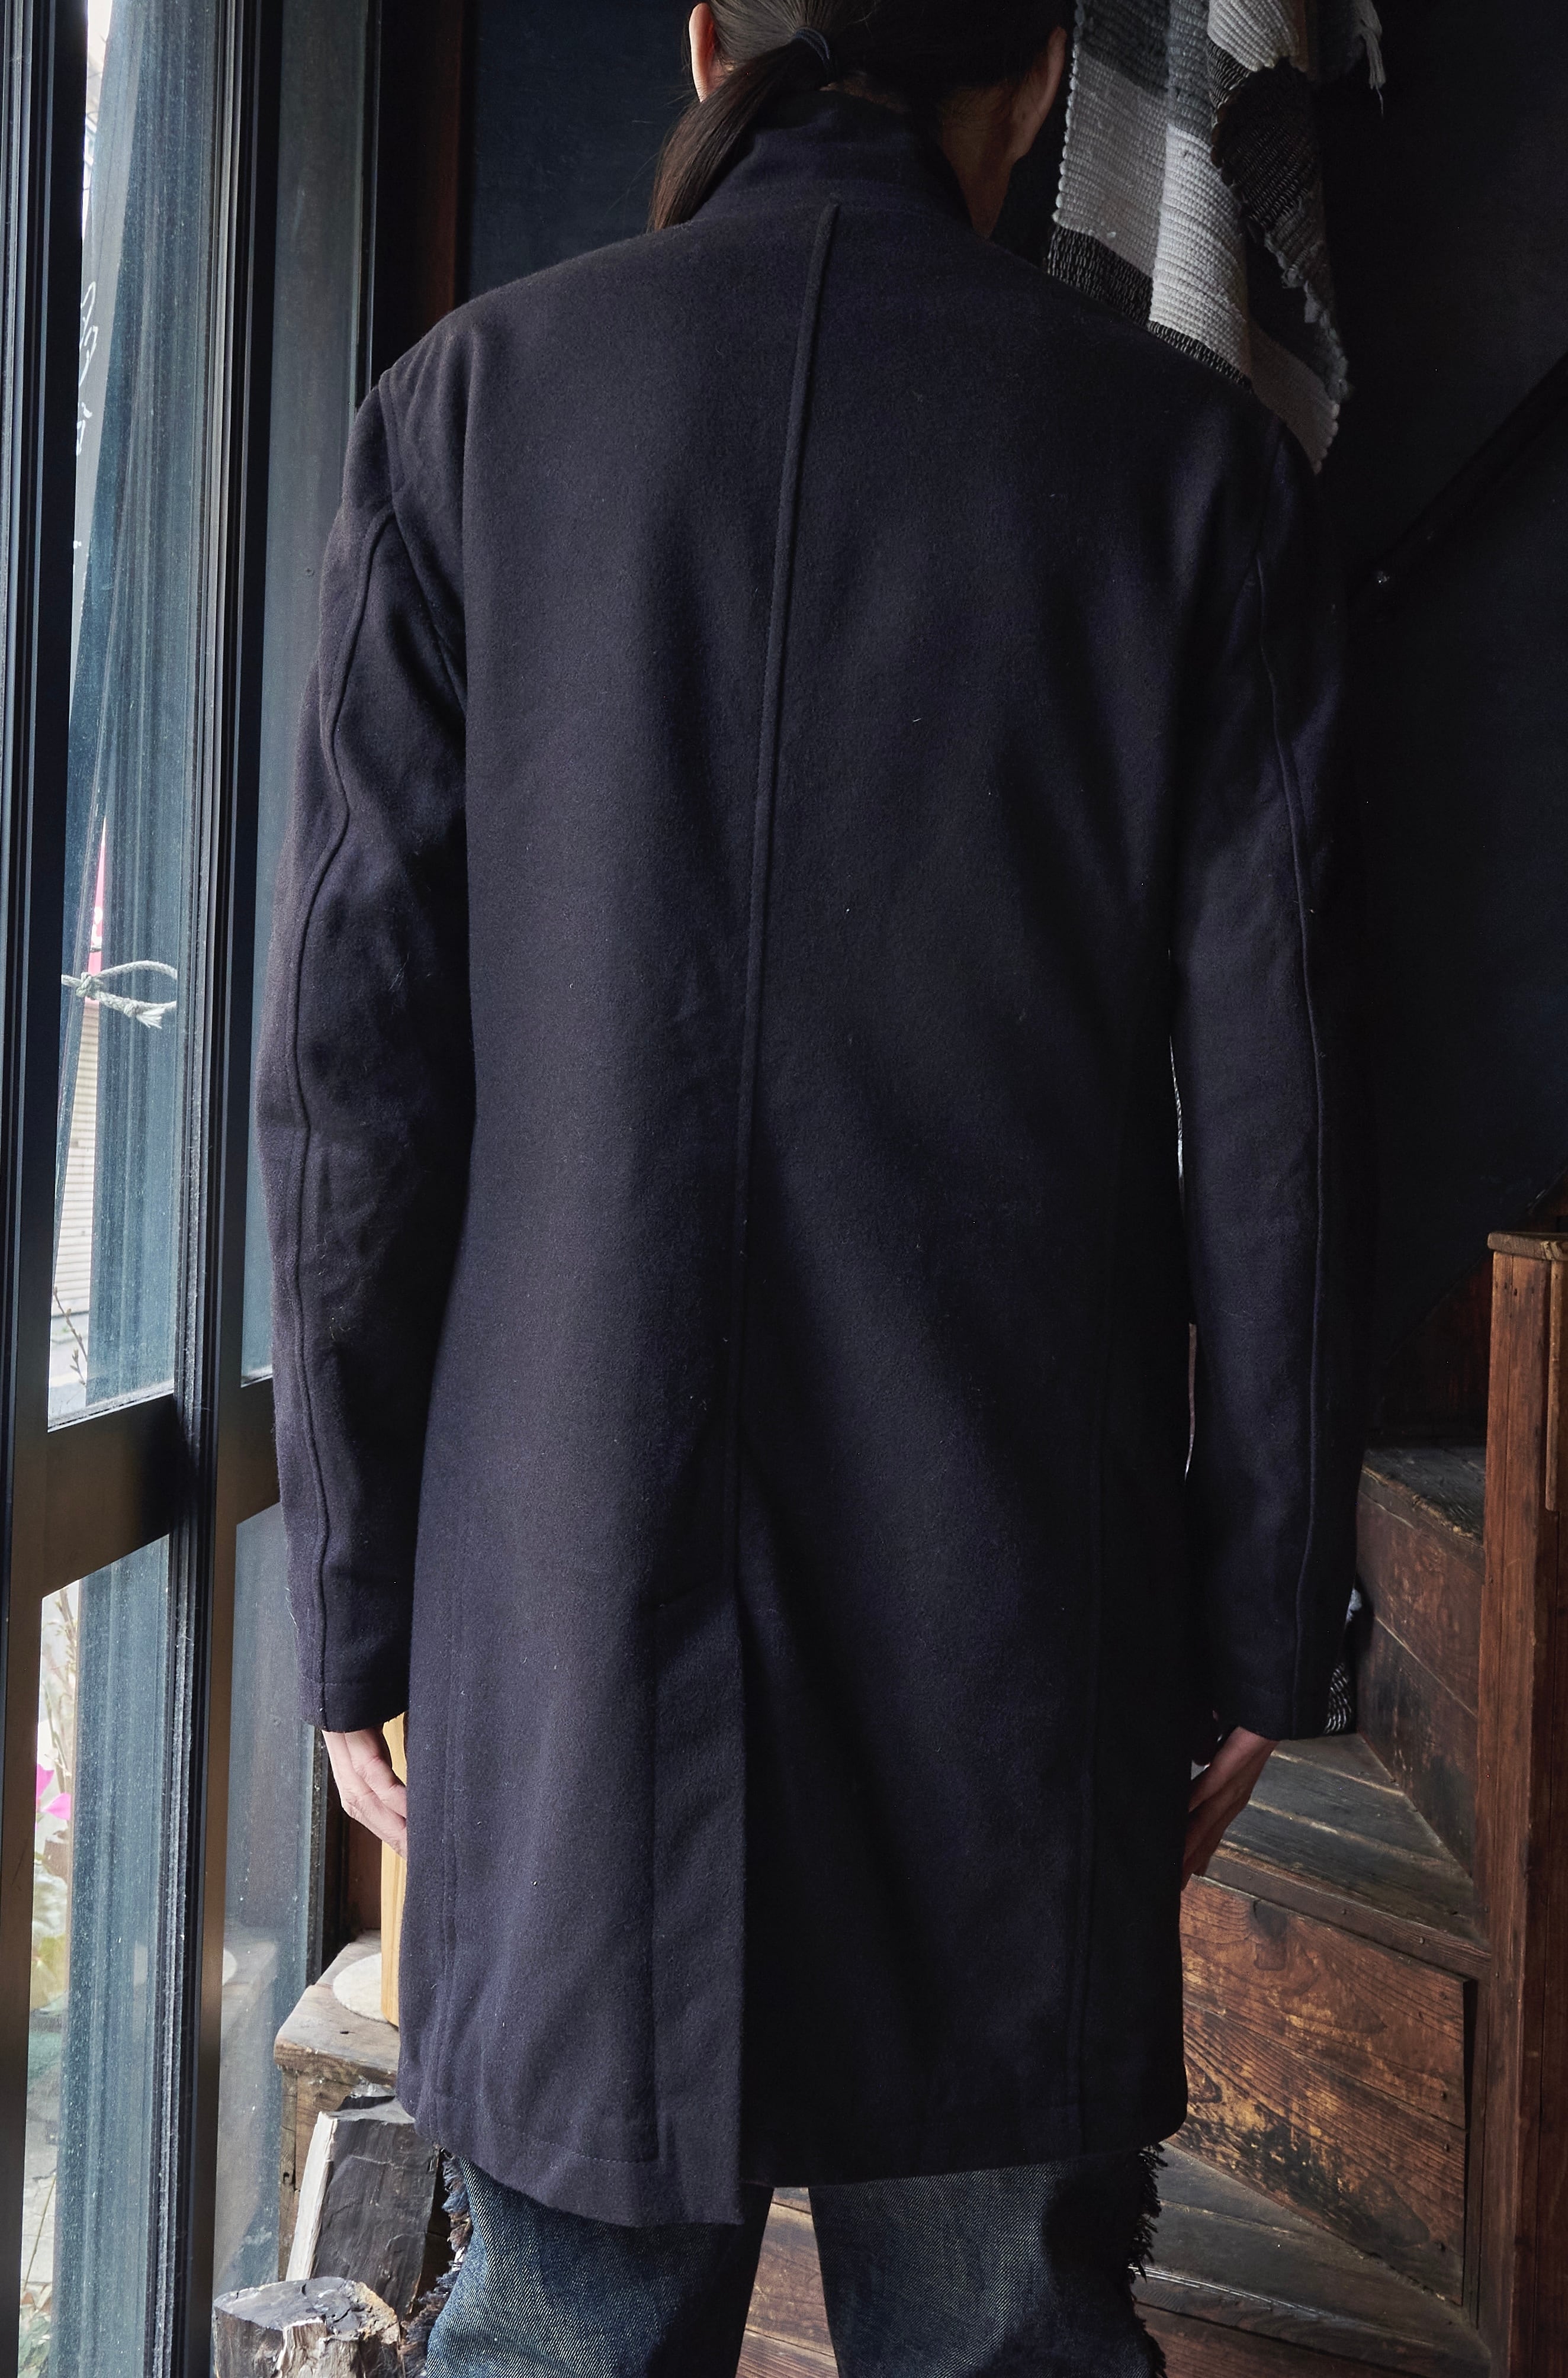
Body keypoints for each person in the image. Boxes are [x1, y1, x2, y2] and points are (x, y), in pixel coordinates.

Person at [256, 2, 1370, 2370]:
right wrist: (1261, 1616)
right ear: (1039, 79)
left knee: (563, 2324)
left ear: (704, 39)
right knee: (997, 2329)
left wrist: (359, 1604)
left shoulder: (466, 412)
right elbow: (1278, 1114)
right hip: (1014, 1616)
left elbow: (352, 1092)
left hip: (566, 1612)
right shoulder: (1187, 466)